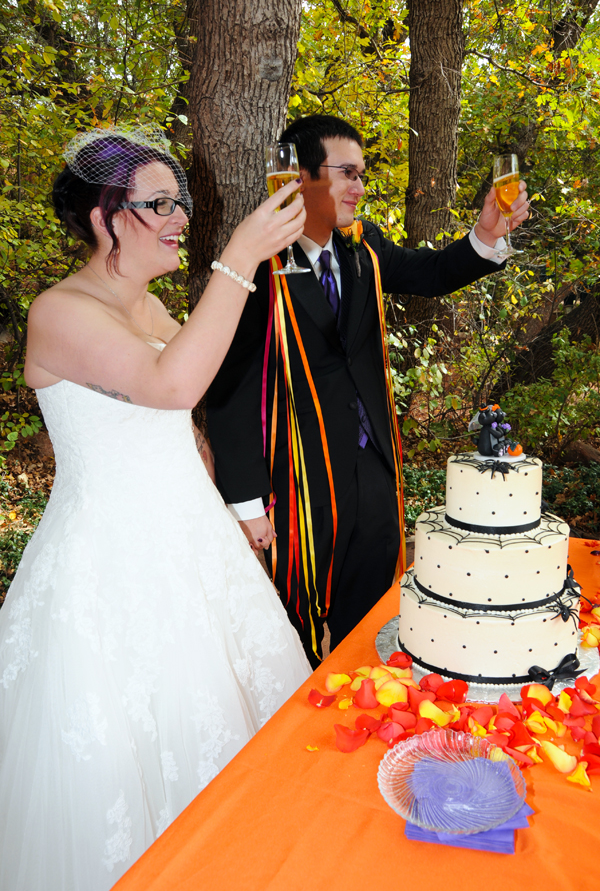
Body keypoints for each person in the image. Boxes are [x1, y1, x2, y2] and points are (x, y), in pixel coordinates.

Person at [0, 125, 311, 891]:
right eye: (161, 203)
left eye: (183, 202)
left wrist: (227, 508)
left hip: (190, 551)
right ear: (106, 216)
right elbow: (172, 384)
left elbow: (183, 419)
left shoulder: (149, 307)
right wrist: (236, 260)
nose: (180, 218)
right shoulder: (61, 312)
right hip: (109, 576)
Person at [207, 114, 530, 668]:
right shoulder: (256, 268)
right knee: (299, 618)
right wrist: (246, 499)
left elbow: (430, 273)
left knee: (374, 610)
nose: (360, 186)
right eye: (346, 173)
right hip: (303, 482)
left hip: (376, 469)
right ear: (299, 178)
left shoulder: (365, 248)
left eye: (363, 173)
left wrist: (485, 237)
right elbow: (230, 385)